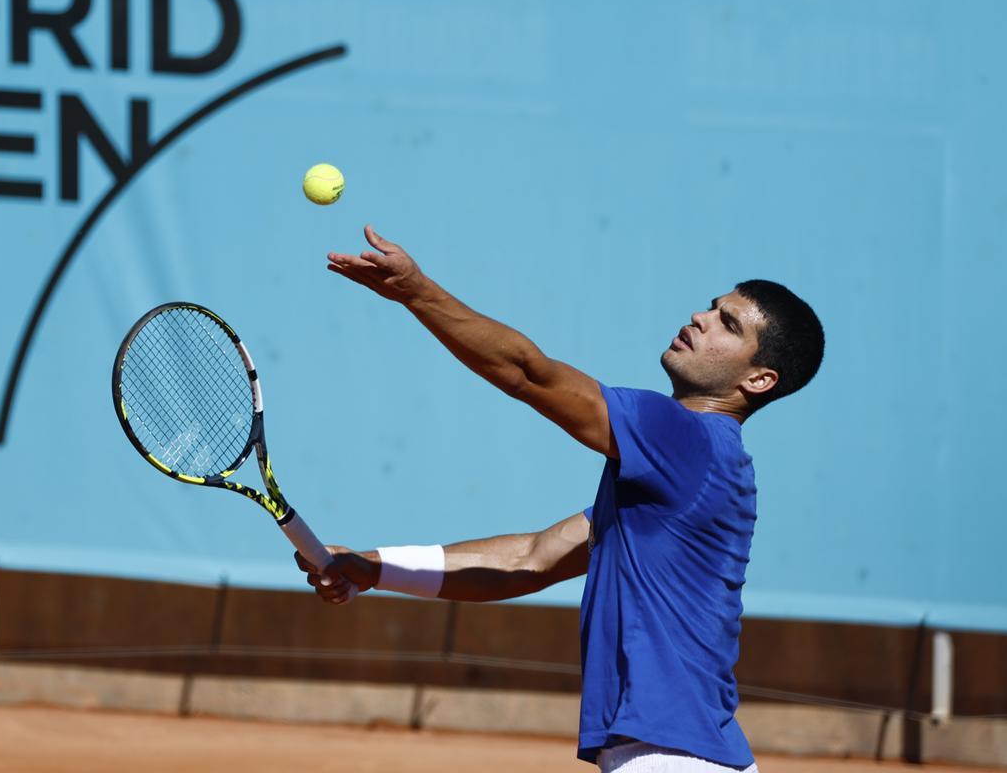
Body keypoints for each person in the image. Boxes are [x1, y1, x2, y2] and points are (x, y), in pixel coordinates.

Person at [295, 225, 825, 772]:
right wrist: (373, 567)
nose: (701, 318)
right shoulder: (681, 483)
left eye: (728, 324)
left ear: (759, 380)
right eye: (712, 308)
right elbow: (530, 560)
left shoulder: (686, 436)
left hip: (671, 759)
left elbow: (528, 374)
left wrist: (417, 292)